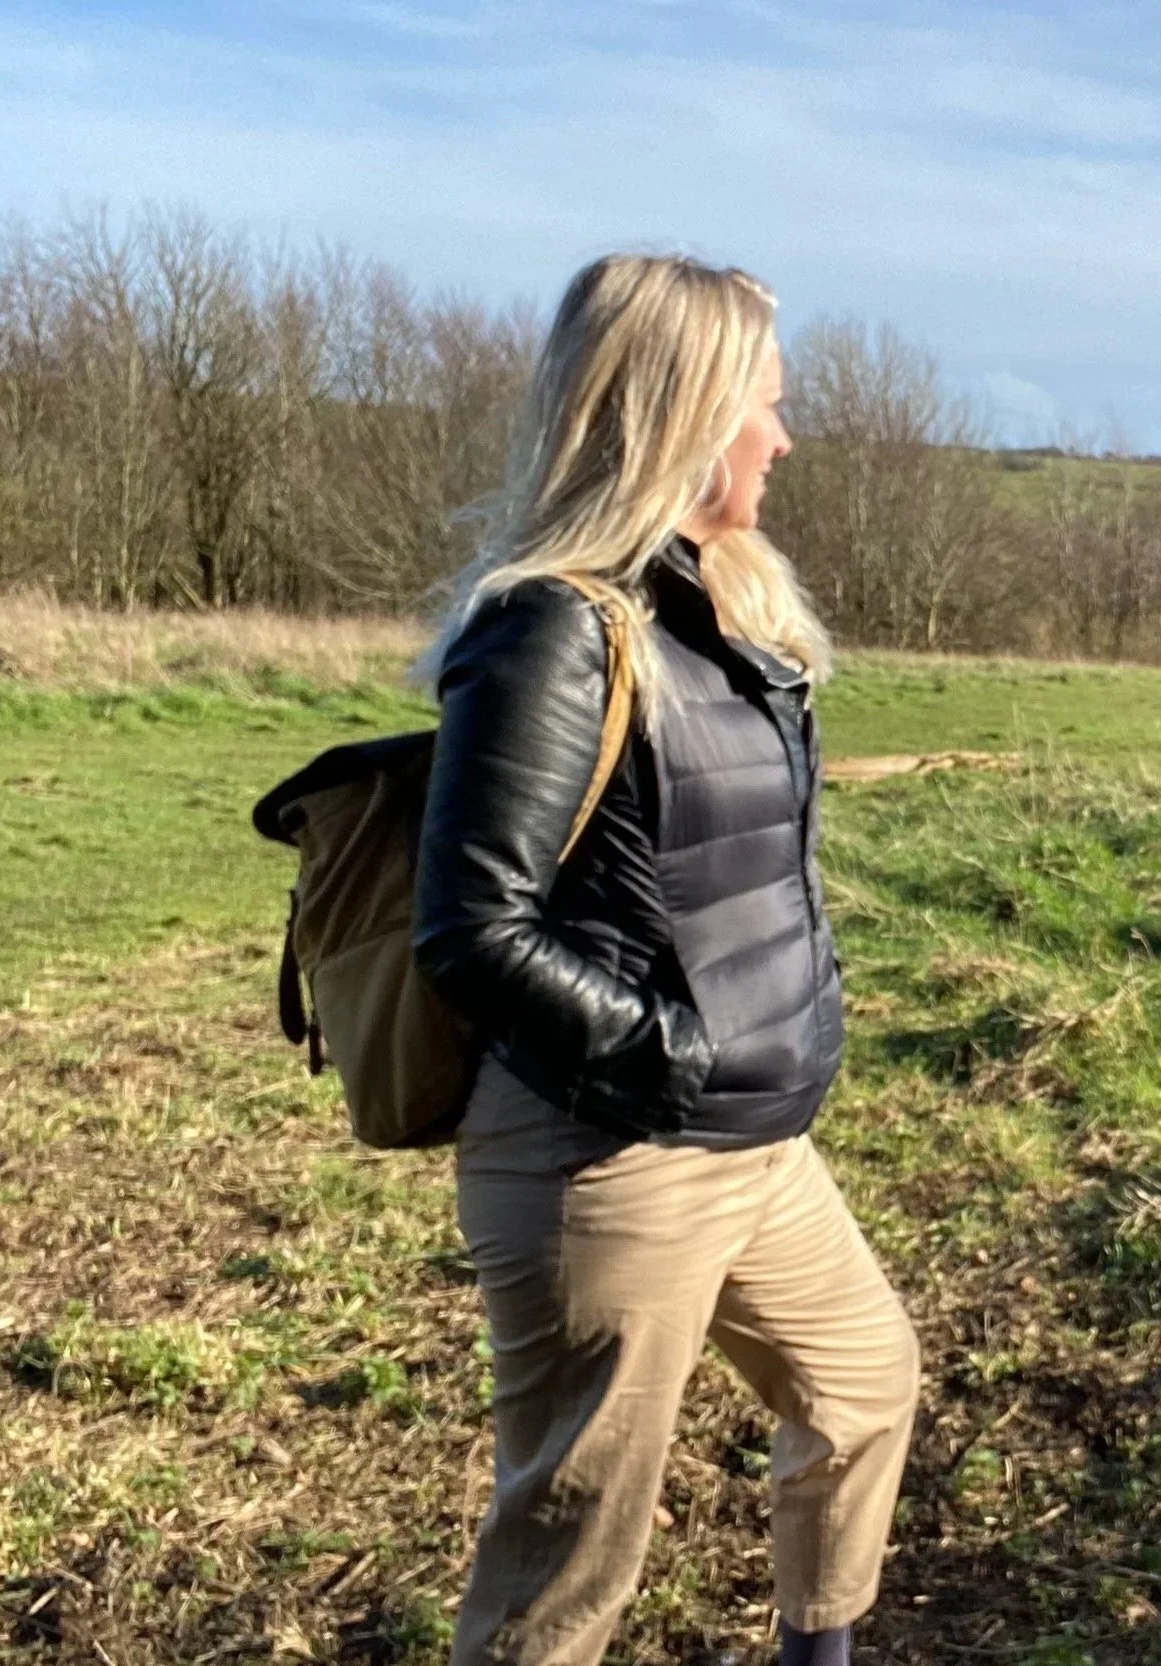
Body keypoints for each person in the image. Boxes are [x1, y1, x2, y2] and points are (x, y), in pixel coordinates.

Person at [409, 255, 918, 1666]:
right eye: (768, 402)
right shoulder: (553, 629)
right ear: (682, 414)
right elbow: (471, 927)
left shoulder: (722, 605)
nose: (785, 438)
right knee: (570, 1568)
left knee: (864, 1385)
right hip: (610, 1157)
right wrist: (672, 1055)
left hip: (752, 1142)